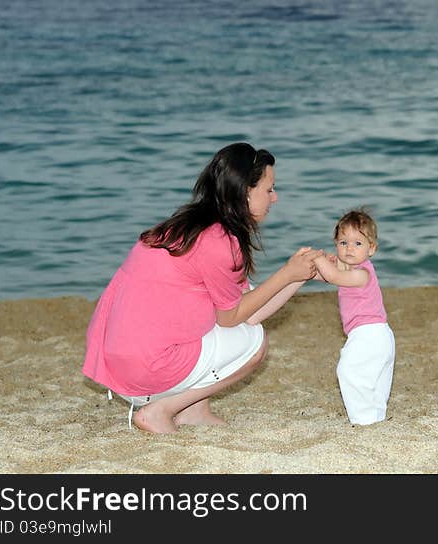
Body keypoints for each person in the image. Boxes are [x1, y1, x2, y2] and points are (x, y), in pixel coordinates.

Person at [82, 142, 323, 434]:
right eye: (269, 189)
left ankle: (194, 411)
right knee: (254, 342)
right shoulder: (221, 242)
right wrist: (286, 273)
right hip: (145, 372)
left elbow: (248, 308)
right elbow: (233, 318)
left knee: (234, 326)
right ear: (245, 191)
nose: (275, 197)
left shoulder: (186, 227)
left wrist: (299, 276)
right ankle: (161, 411)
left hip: (120, 366)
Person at [313, 208, 395, 426]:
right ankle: (376, 417)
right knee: (374, 380)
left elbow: (333, 276)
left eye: (358, 244)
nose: (349, 248)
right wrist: (314, 269)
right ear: (336, 244)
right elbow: (329, 276)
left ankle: (364, 420)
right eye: (343, 243)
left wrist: (318, 258)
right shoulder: (351, 269)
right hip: (377, 334)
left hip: (369, 334)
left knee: (349, 371)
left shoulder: (362, 273)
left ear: (372, 249)